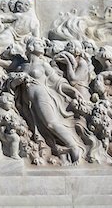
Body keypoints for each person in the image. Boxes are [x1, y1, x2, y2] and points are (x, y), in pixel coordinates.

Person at [10, 37, 85, 165]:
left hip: (42, 95)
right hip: (28, 104)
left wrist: (72, 91)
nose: (42, 46)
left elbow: (57, 81)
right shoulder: (22, 66)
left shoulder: (43, 65)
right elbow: (11, 86)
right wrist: (17, 81)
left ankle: (74, 147)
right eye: (38, 43)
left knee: (51, 123)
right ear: (30, 47)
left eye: (42, 44)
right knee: (43, 127)